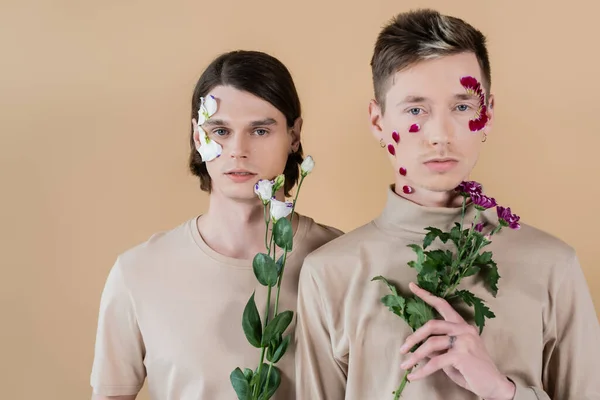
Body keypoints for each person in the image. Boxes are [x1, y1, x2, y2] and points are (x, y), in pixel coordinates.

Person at [294, 9, 600, 400]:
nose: (440, 135)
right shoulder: (330, 274)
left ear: (486, 113)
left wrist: (501, 390)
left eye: (461, 107)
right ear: (377, 121)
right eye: (416, 110)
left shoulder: (553, 266)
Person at [90, 50, 343, 400]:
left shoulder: (343, 263)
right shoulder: (138, 272)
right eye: (220, 130)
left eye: (259, 130)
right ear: (198, 137)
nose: (238, 150)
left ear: (294, 134)